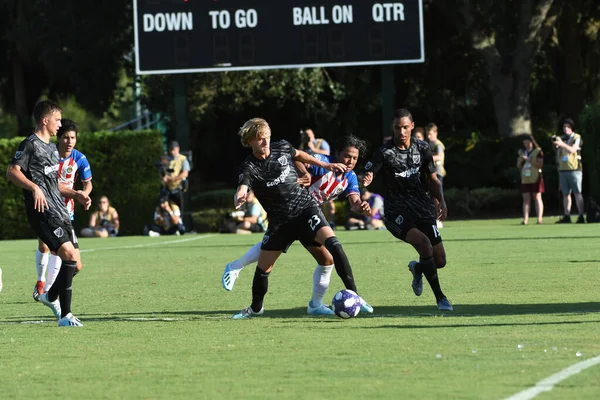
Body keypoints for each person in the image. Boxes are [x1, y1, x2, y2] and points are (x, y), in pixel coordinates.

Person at [229, 119, 372, 319]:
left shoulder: (350, 176)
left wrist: (360, 207)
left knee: (331, 251)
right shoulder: (251, 166)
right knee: (265, 265)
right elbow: (297, 158)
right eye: (347, 156)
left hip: (307, 211)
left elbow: (354, 200)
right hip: (284, 217)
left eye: (354, 158)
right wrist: (304, 172)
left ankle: (342, 298)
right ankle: (249, 295)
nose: (350, 161)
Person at [6, 100, 91, 326]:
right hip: (42, 213)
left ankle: (49, 296)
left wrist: (76, 194)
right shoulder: (30, 145)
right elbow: (12, 172)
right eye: (57, 120)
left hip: (61, 212)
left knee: (77, 265)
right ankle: (66, 316)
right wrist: (33, 187)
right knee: (69, 256)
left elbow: (54, 184)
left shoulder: (53, 149)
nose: (60, 124)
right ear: (45, 120)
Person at [361, 108, 452, 311]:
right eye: (397, 128)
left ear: (412, 126)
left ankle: (417, 267)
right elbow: (365, 174)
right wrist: (366, 179)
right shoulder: (385, 152)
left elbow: (433, 179)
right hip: (397, 212)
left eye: (404, 127)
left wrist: (441, 201)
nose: (401, 132)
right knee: (424, 245)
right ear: (392, 128)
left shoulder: (423, 148)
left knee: (440, 260)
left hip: (423, 208)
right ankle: (441, 298)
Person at [32, 119, 92, 302]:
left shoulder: (79, 158)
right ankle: (43, 284)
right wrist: (76, 193)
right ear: (58, 138)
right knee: (46, 246)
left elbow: (87, 183)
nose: (70, 141)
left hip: (67, 212)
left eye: (73, 137)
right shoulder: (48, 155)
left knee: (73, 262)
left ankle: (50, 290)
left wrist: (85, 195)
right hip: (47, 209)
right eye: (66, 137)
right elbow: (49, 184)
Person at [553, 118, 585, 223]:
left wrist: (562, 144)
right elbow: (558, 152)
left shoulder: (577, 137)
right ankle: (567, 215)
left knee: (577, 192)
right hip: (563, 169)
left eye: (568, 127)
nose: (566, 129)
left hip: (574, 169)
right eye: (564, 127)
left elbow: (572, 150)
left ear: (572, 128)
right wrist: (557, 145)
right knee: (565, 194)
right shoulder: (562, 138)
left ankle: (581, 215)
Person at [517, 135, 544, 225]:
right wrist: (521, 161)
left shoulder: (538, 151)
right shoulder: (522, 152)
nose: (526, 145)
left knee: (537, 197)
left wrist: (529, 160)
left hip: (535, 177)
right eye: (524, 143)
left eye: (528, 143)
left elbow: (540, 165)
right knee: (526, 199)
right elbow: (518, 166)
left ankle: (539, 219)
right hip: (525, 177)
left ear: (532, 142)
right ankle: (525, 219)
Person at [425, 123, 446, 229]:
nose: (428, 136)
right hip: (430, 174)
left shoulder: (438, 144)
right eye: (427, 134)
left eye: (430, 134)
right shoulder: (428, 144)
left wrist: (426, 158)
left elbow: (439, 156)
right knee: (432, 197)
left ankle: (439, 219)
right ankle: (434, 217)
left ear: (435, 133)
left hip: (437, 173)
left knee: (438, 197)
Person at [161, 141, 191, 209]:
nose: (172, 152)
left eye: (173, 150)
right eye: (170, 150)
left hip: (178, 189)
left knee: (178, 211)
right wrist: (164, 178)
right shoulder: (166, 160)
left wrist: (173, 179)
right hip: (167, 189)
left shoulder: (183, 159)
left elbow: (185, 173)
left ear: (178, 149)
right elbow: (163, 172)